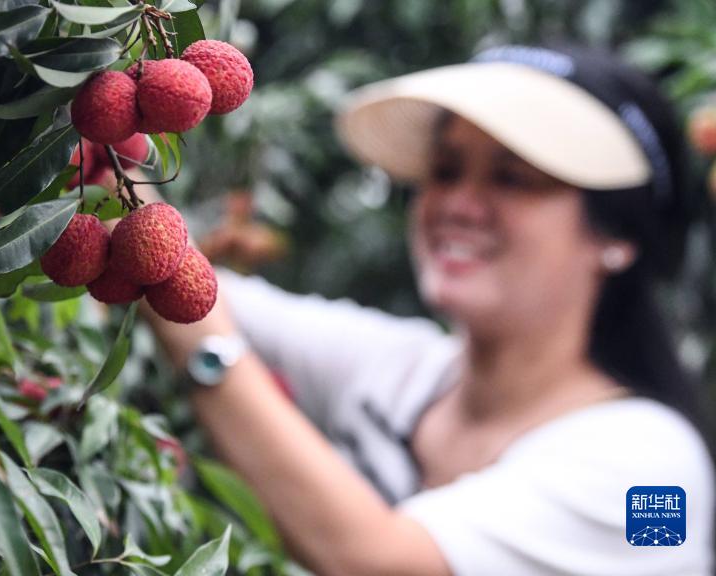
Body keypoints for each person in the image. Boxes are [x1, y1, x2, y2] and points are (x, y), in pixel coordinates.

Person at [139, 44, 715, 575]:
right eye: (445, 171)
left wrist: (206, 353)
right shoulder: (408, 373)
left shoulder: (658, 482)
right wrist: (116, 173)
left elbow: (376, 560)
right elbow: (212, 294)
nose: (459, 205)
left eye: (514, 179)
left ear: (617, 237)